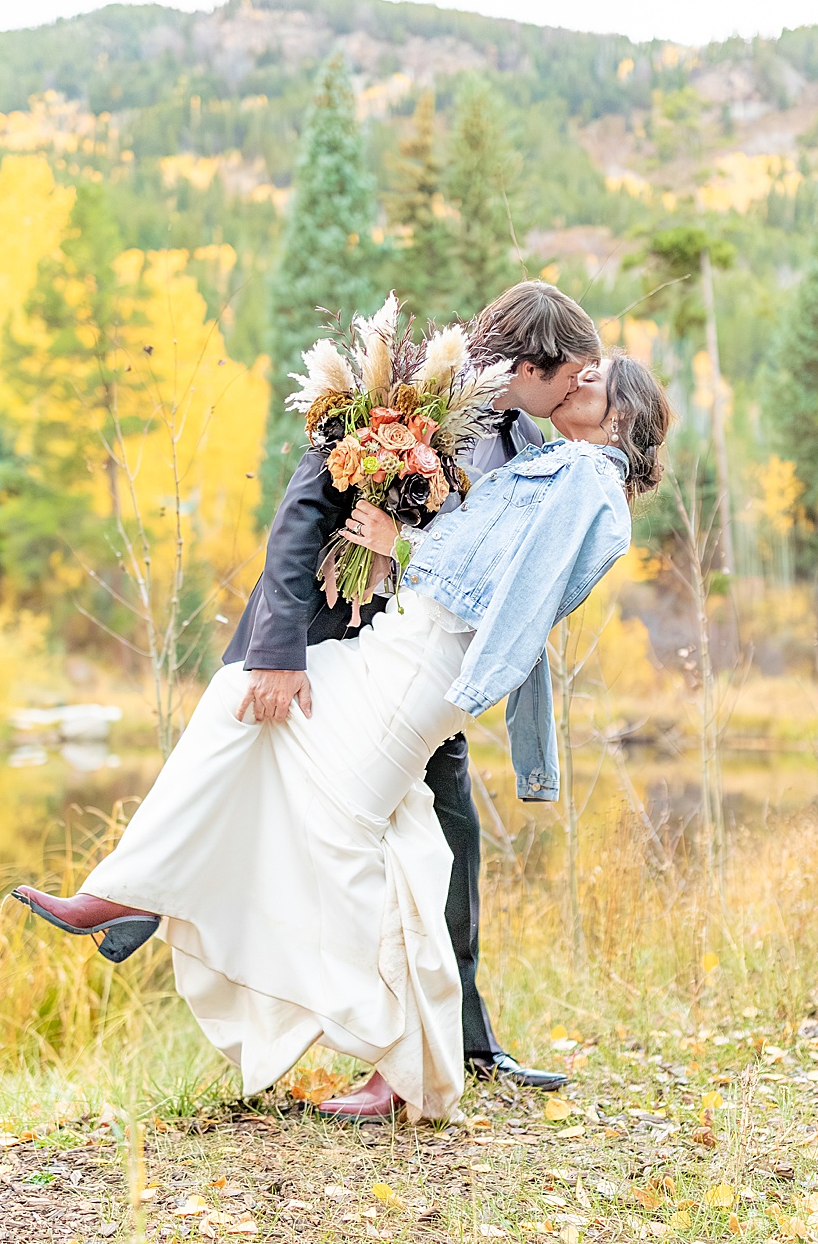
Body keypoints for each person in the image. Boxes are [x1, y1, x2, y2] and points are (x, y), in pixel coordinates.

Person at [14, 356, 670, 1121]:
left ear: (621, 414)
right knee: (259, 714)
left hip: (427, 666)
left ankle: (397, 1058)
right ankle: (128, 891)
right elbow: (487, 552)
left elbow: (518, 590)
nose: (580, 377)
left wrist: (405, 548)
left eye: (599, 378)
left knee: (343, 841)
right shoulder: (560, 463)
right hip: (397, 645)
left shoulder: (590, 484)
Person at [234, 280, 602, 1098]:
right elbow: (301, 516)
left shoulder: (528, 446)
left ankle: (462, 1045)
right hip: (340, 649)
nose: (576, 390)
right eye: (572, 375)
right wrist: (278, 650)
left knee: (453, 850)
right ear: (532, 366)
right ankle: (148, 908)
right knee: (306, 819)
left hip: (432, 675)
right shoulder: (404, 392)